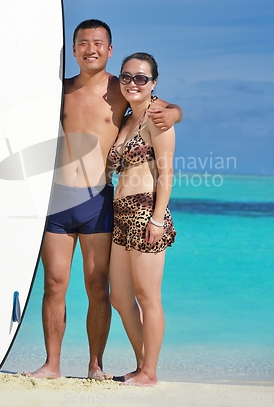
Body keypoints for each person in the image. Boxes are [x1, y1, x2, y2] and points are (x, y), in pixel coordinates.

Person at [0, 20, 182, 380]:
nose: (90, 48)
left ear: (110, 49)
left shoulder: (121, 89)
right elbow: (4, 90)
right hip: (56, 200)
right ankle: (52, 364)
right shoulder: (55, 90)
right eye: (83, 43)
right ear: (73, 50)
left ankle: (96, 366)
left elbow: (159, 106)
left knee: (98, 286)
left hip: (98, 201)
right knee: (54, 284)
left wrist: (174, 113)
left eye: (98, 43)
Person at [108, 52, 176, 386]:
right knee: (119, 297)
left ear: (154, 83)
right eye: (126, 76)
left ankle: (150, 372)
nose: (132, 83)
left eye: (141, 78)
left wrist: (158, 219)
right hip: (120, 213)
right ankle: (141, 365)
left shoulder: (158, 117)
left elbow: (167, 173)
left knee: (148, 296)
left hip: (146, 212)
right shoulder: (126, 119)